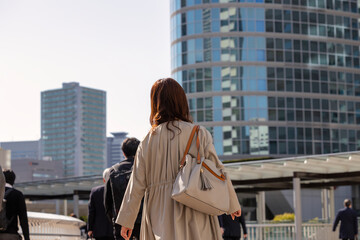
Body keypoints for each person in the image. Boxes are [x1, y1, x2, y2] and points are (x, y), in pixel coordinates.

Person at [115, 78, 241, 240]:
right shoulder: (198, 133)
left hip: (159, 212)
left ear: (155, 103)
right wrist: (232, 203)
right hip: (195, 203)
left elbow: (136, 184)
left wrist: (127, 220)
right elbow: (218, 170)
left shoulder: (148, 140)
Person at [104, 138, 141, 240]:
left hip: (120, 222)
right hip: (142, 221)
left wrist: (115, 219)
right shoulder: (144, 168)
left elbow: (107, 202)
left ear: (123, 153)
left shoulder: (113, 170)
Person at [0, 169, 30, 240]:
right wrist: (27, 237)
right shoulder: (18, 195)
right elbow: (23, 219)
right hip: (11, 234)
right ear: (13, 181)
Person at [88, 168, 114, 240]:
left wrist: (90, 228)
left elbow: (91, 212)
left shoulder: (95, 191)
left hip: (99, 231)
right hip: (114, 230)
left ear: (104, 180)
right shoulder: (117, 191)